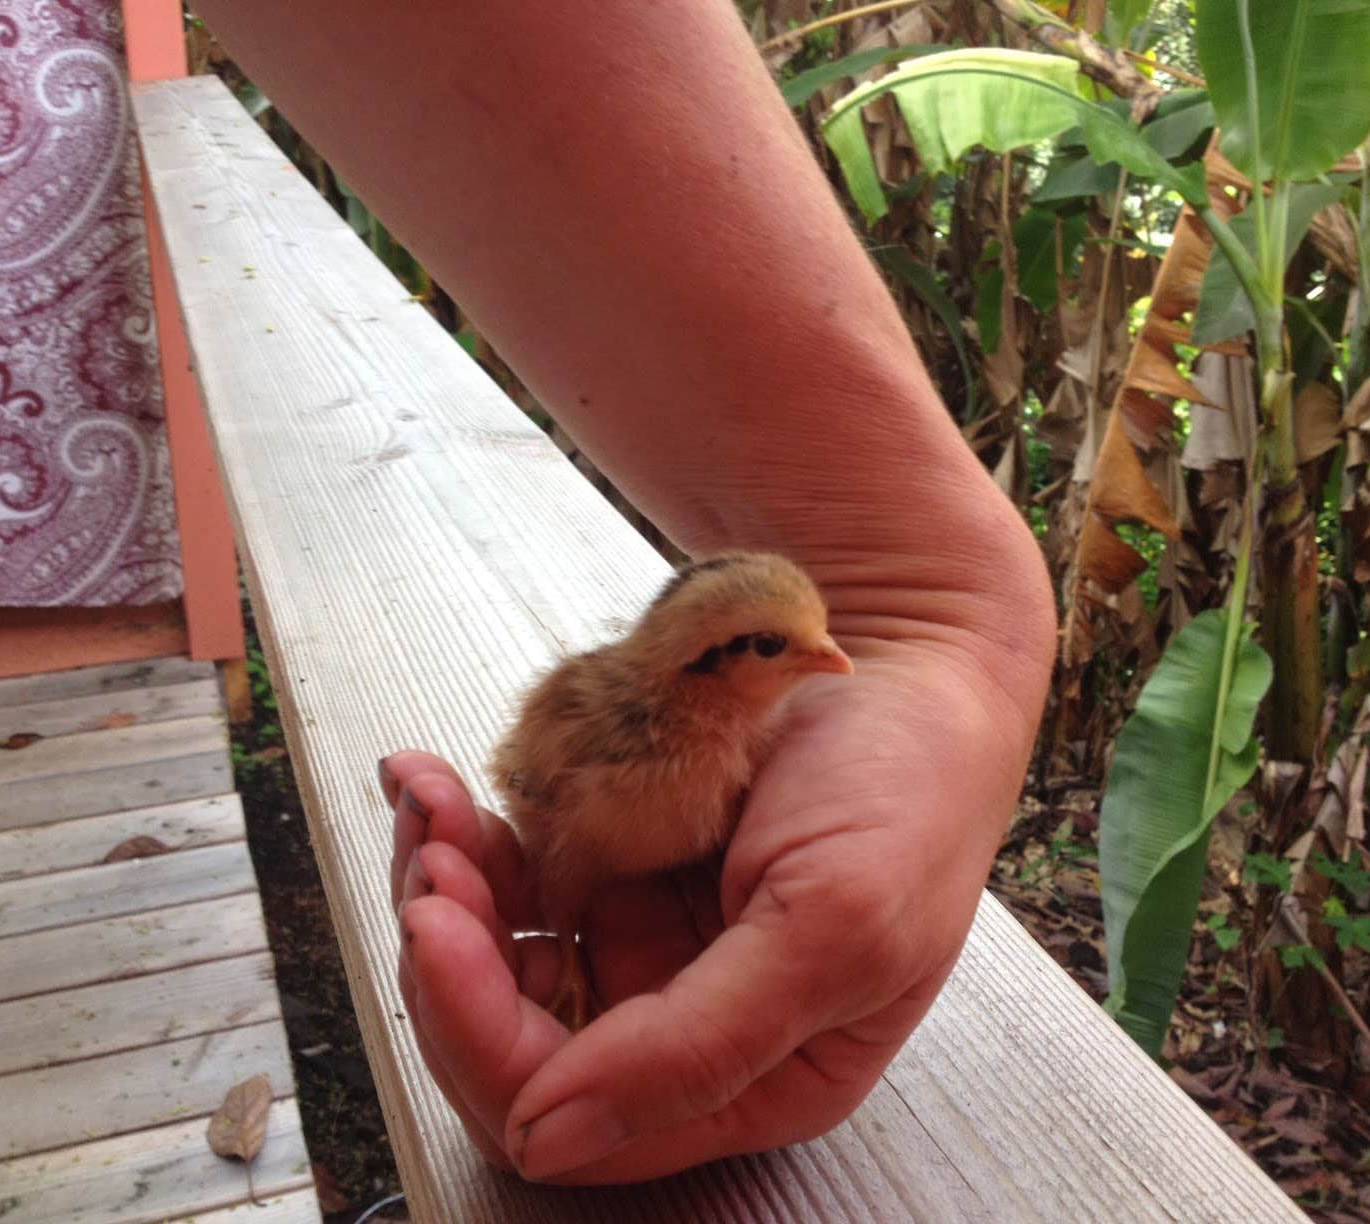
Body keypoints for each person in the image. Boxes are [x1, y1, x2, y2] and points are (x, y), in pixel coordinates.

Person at [193, 0, 1055, 1183]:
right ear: (709, 663)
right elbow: (548, 796)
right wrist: (570, 941)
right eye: (781, 646)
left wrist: (944, 629)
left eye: (811, 639)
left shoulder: (735, 727)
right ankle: (576, 966)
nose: (821, 659)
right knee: (542, 915)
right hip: (590, 838)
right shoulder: (651, 735)